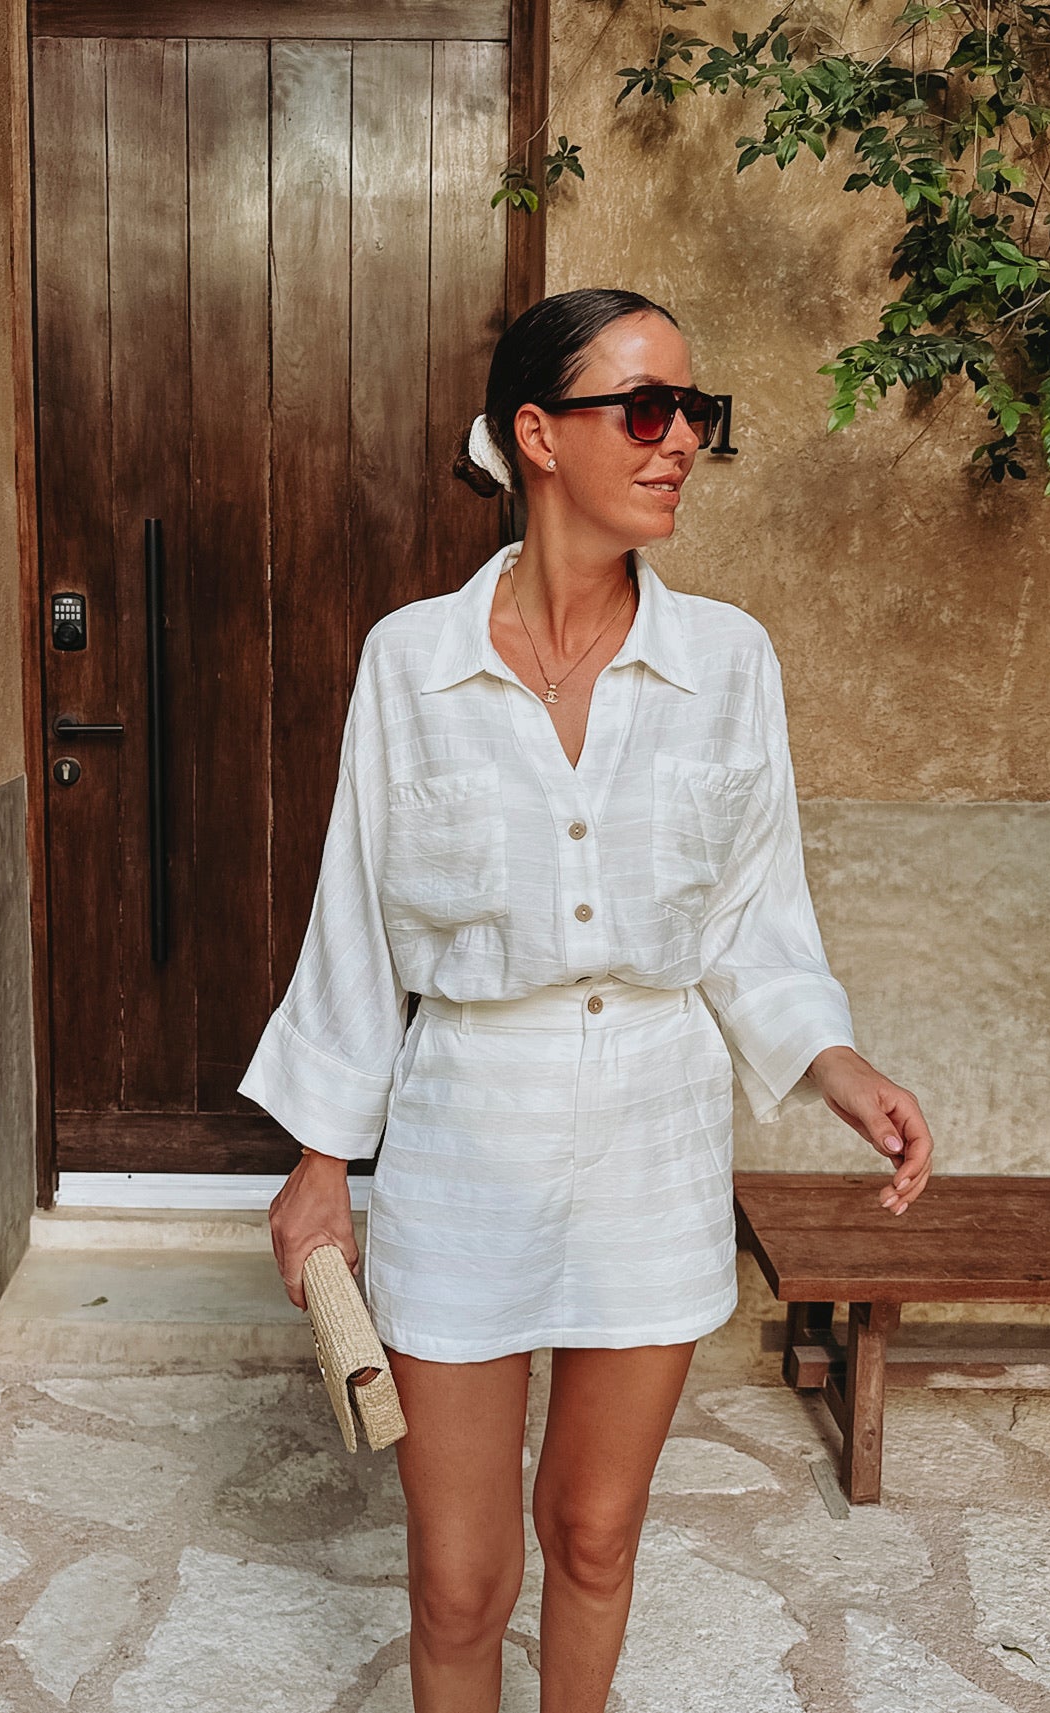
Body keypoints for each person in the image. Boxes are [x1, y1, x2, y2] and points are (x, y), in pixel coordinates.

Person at [237, 287, 934, 1713]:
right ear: (538, 436)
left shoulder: (728, 661)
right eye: (647, 408)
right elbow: (355, 917)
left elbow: (752, 917)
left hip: (652, 1139)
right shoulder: (412, 662)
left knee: (596, 1536)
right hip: (465, 1137)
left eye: (695, 413)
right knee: (456, 1578)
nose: (681, 441)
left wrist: (837, 1062)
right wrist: (319, 1163)